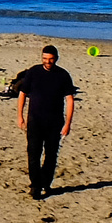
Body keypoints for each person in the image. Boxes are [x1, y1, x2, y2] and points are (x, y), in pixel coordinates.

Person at [14, 45, 76, 199]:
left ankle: (46, 183)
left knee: (51, 154)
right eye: (45, 59)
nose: (47, 62)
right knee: (33, 153)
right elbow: (22, 93)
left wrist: (68, 123)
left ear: (56, 58)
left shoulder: (63, 75)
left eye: (50, 59)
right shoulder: (33, 72)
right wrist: (20, 116)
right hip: (35, 120)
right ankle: (35, 185)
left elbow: (69, 99)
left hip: (55, 122)